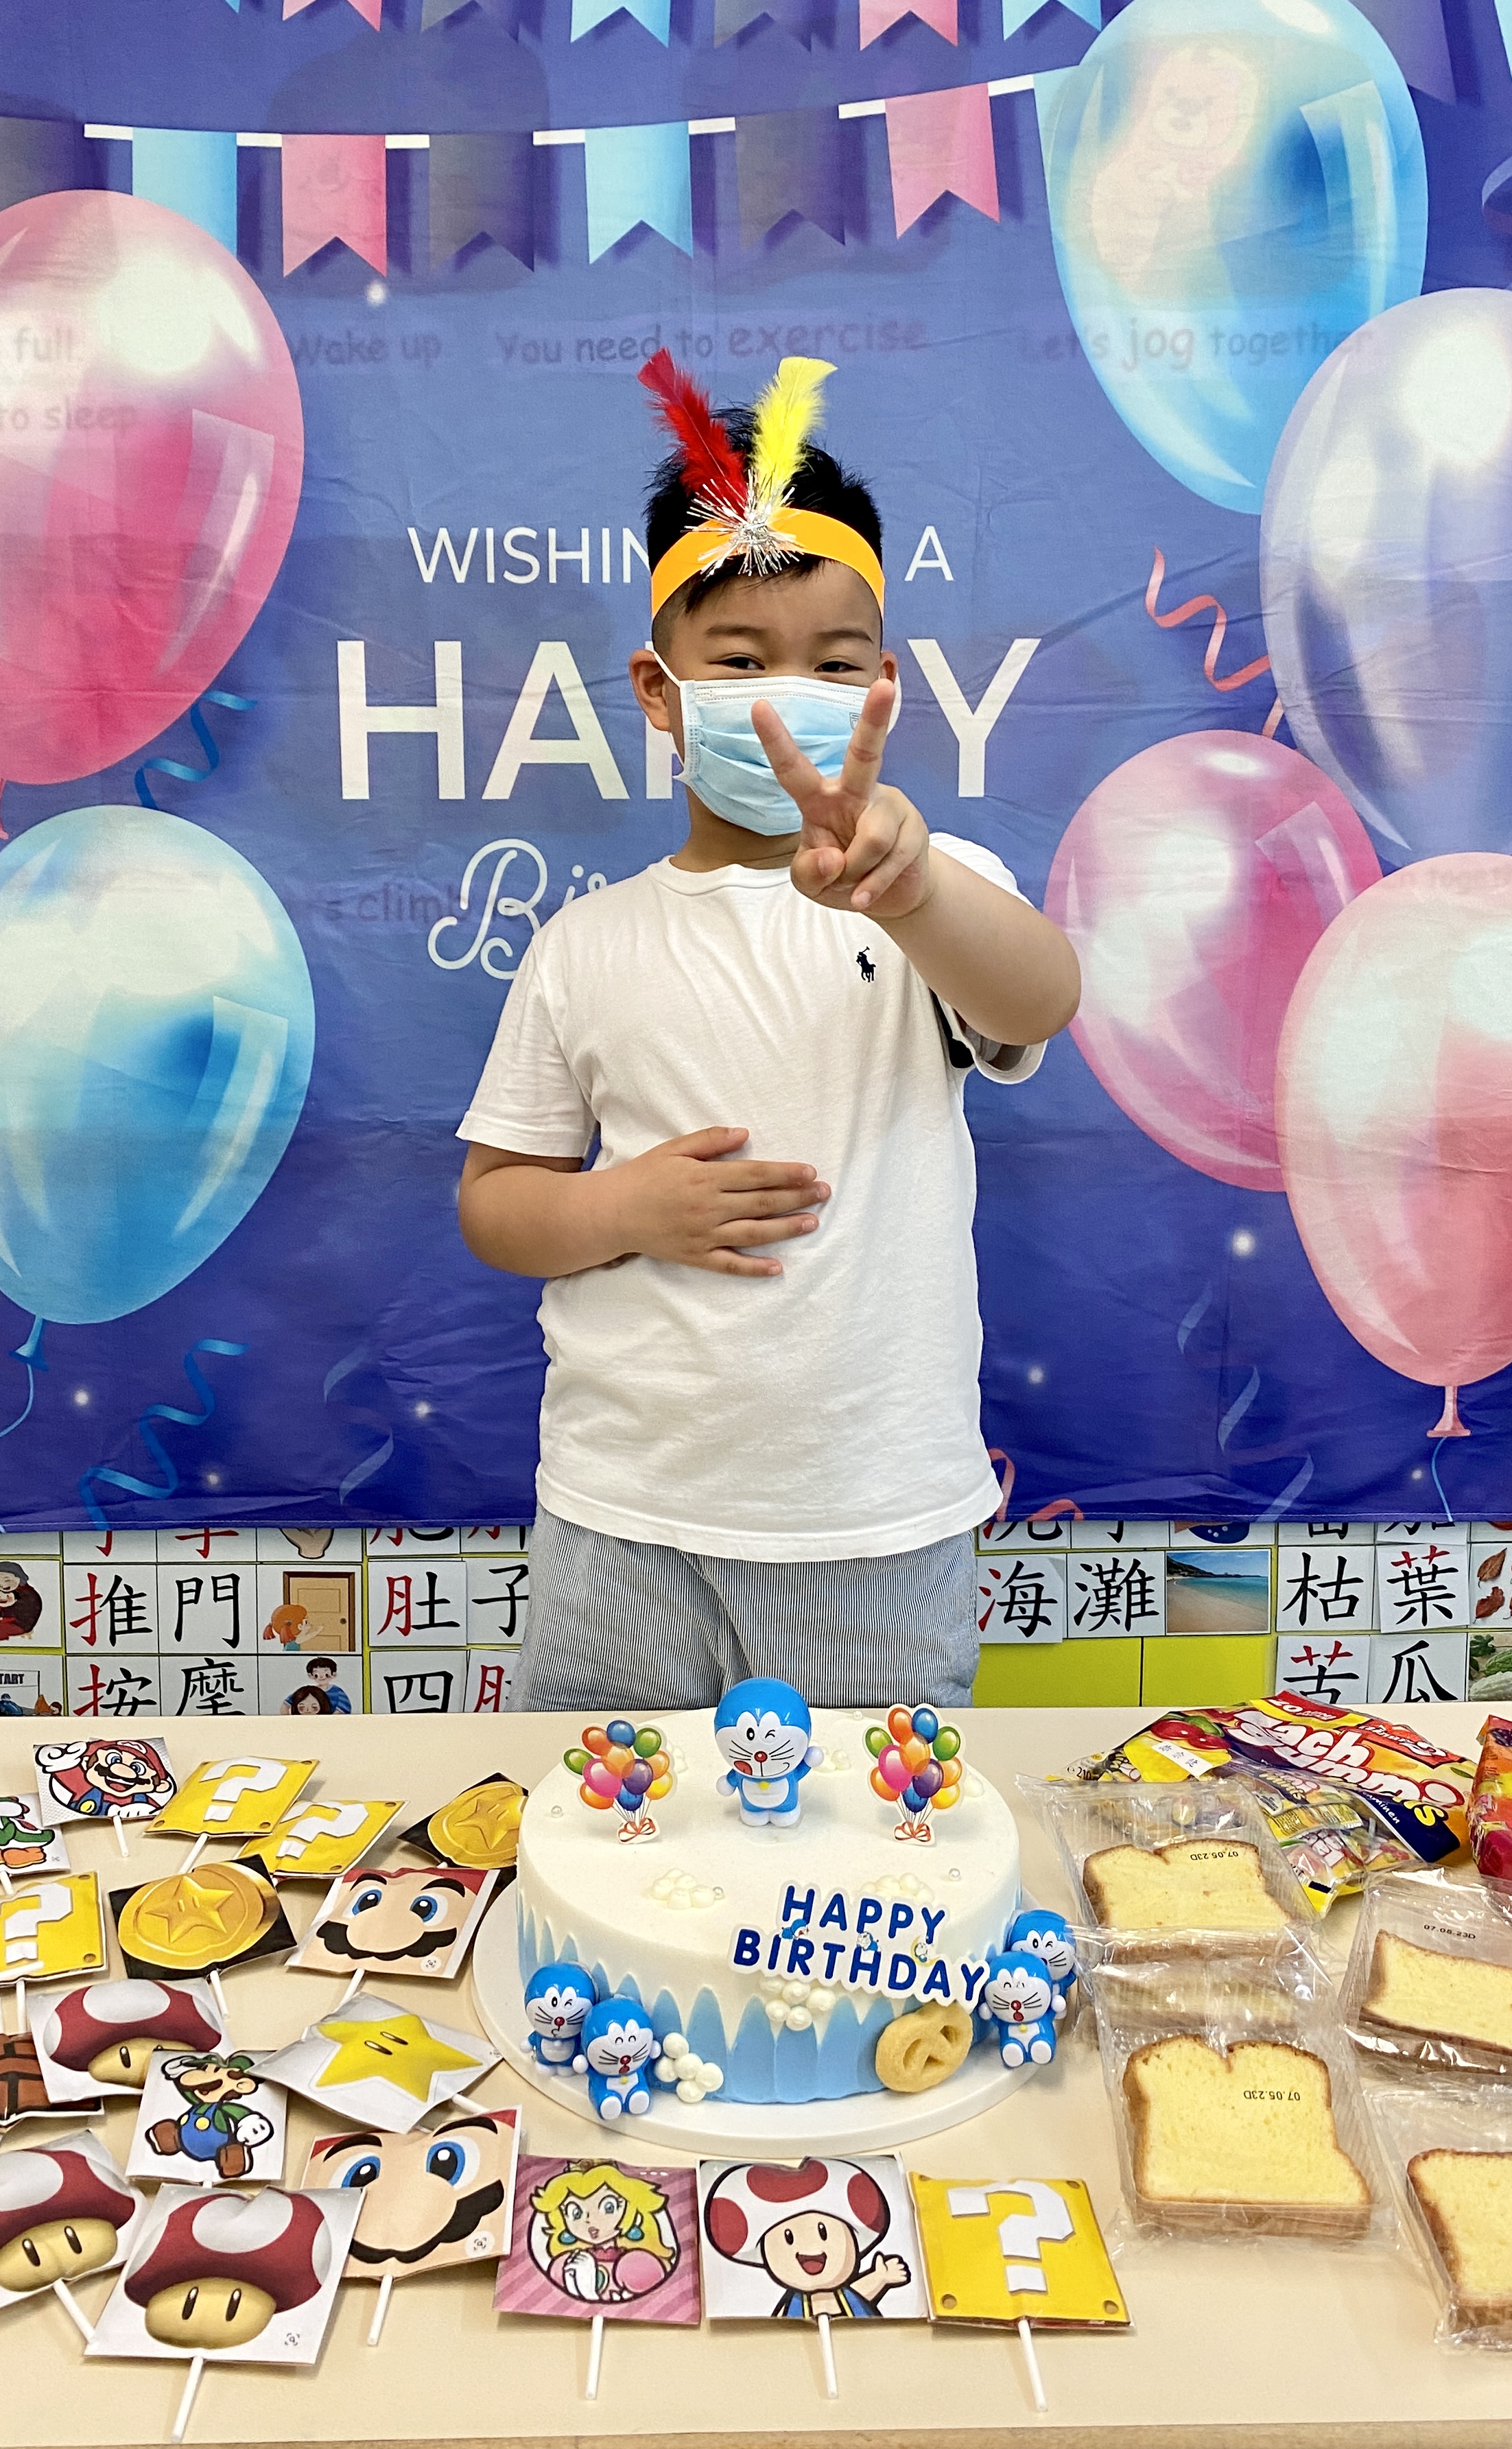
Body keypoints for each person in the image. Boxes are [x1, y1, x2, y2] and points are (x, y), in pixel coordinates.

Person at [456, 355, 1079, 1710]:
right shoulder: (584, 943)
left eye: (832, 664)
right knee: (606, 1817)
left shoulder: (937, 894)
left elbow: (1040, 1000)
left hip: (872, 1521)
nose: (787, 694)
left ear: (883, 688)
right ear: (659, 689)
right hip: (621, 1513)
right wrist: (625, 1207)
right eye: (741, 661)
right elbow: (496, 1204)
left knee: (878, 1825)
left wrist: (911, 890)